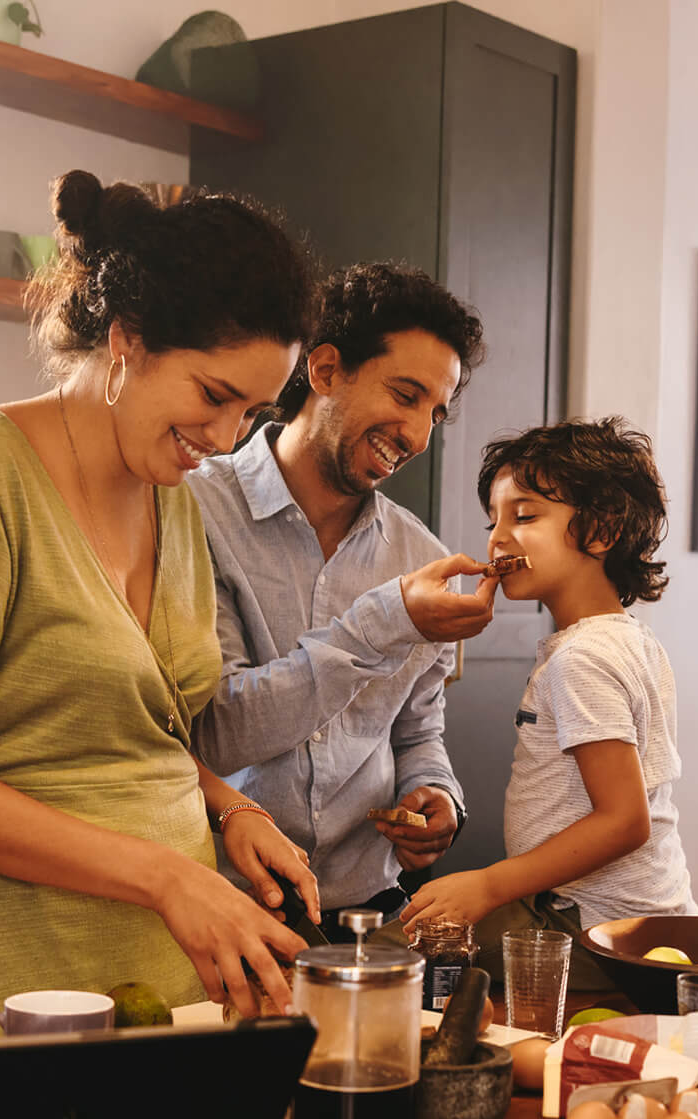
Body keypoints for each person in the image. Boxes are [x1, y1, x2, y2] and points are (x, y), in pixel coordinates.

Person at [0, 171, 323, 1044]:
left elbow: (120, 730)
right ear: (127, 337)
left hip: (156, 986)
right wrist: (167, 879)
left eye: (254, 412)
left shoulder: (174, 498)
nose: (226, 440)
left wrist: (229, 807)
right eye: (214, 396)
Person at [189, 262, 491, 940]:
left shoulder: (419, 556)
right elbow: (218, 731)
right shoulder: (192, 511)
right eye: (405, 395)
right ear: (324, 370)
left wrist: (437, 798)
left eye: (434, 413)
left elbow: (418, 732)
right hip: (223, 911)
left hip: (367, 914)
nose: (416, 435)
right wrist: (385, 622)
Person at [401, 416, 697, 976]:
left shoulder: (581, 658)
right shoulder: (628, 637)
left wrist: (488, 885)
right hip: (624, 920)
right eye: (494, 520)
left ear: (602, 531)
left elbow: (624, 820)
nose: (498, 537)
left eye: (526, 515)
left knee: (389, 965)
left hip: (585, 927)